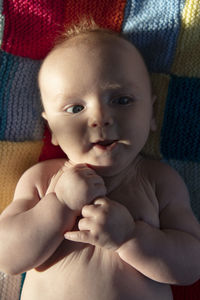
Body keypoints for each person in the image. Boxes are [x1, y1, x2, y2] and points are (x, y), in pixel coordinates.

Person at [0, 20, 199, 300]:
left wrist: (130, 237)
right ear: (52, 130)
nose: (100, 118)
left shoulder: (160, 181)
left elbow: (191, 265)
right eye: (75, 108)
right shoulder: (42, 180)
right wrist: (59, 205)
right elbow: (7, 257)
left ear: (152, 114)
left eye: (122, 100)